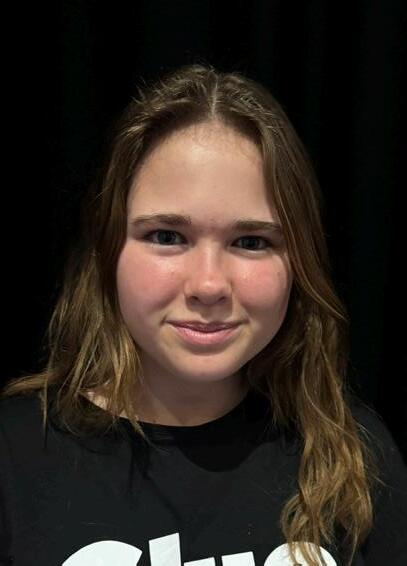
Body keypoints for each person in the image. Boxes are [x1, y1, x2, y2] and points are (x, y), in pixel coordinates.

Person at [0, 64, 406, 566]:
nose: (209, 285)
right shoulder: (15, 455)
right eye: (167, 236)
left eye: (251, 242)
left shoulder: (355, 455)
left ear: (300, 261)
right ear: (106, 250)